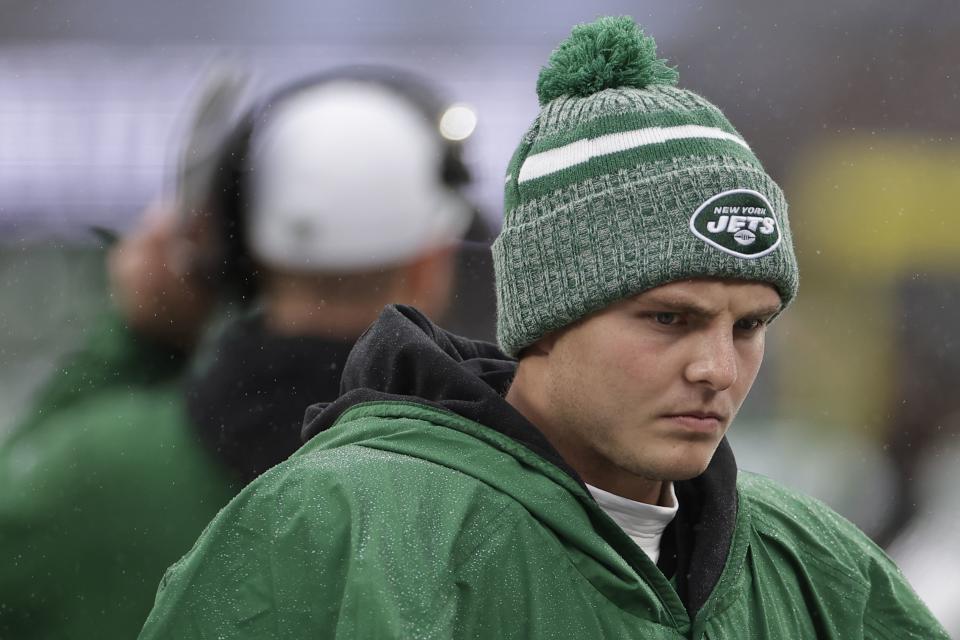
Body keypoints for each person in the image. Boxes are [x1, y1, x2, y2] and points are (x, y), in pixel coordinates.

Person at [138, 17, 946, 639]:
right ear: (545, 318)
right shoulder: (339, 527)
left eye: (750, 326)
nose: (716, 368)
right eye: (669, 319)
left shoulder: (815, 563)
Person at [183, 67, 477, 482]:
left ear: (248, 257)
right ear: (427, 266)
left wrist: (140, 342)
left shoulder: (104, 458)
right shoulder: (499, 476)